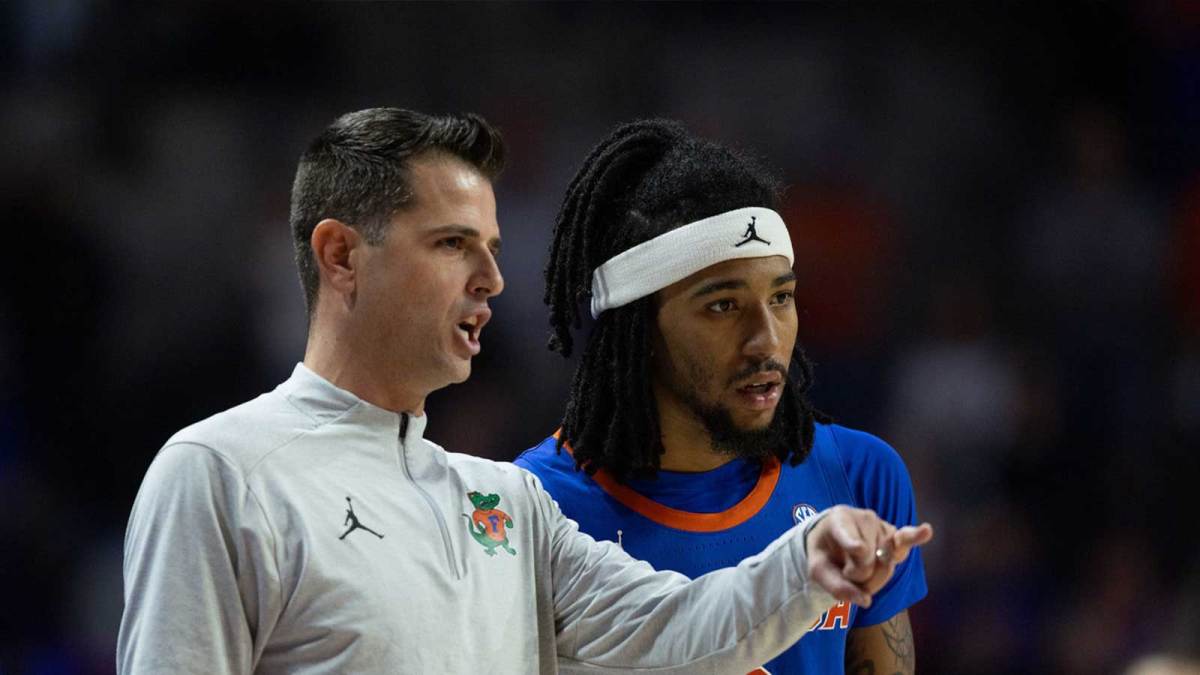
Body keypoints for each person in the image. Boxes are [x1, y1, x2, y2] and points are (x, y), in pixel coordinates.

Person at [117, 108, 933, 674]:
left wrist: (806, 560)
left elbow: (677, 630)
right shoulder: (222, 473)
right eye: (451, 244)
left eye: (494, 247)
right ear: (340, 256)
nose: (492, 279)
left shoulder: (504, 501)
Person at [516, 119, 929, 674]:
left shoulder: (859, 476)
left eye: (781, 298)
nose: (766, 341)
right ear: (639, 329)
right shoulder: (537, 508)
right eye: (723, 306)